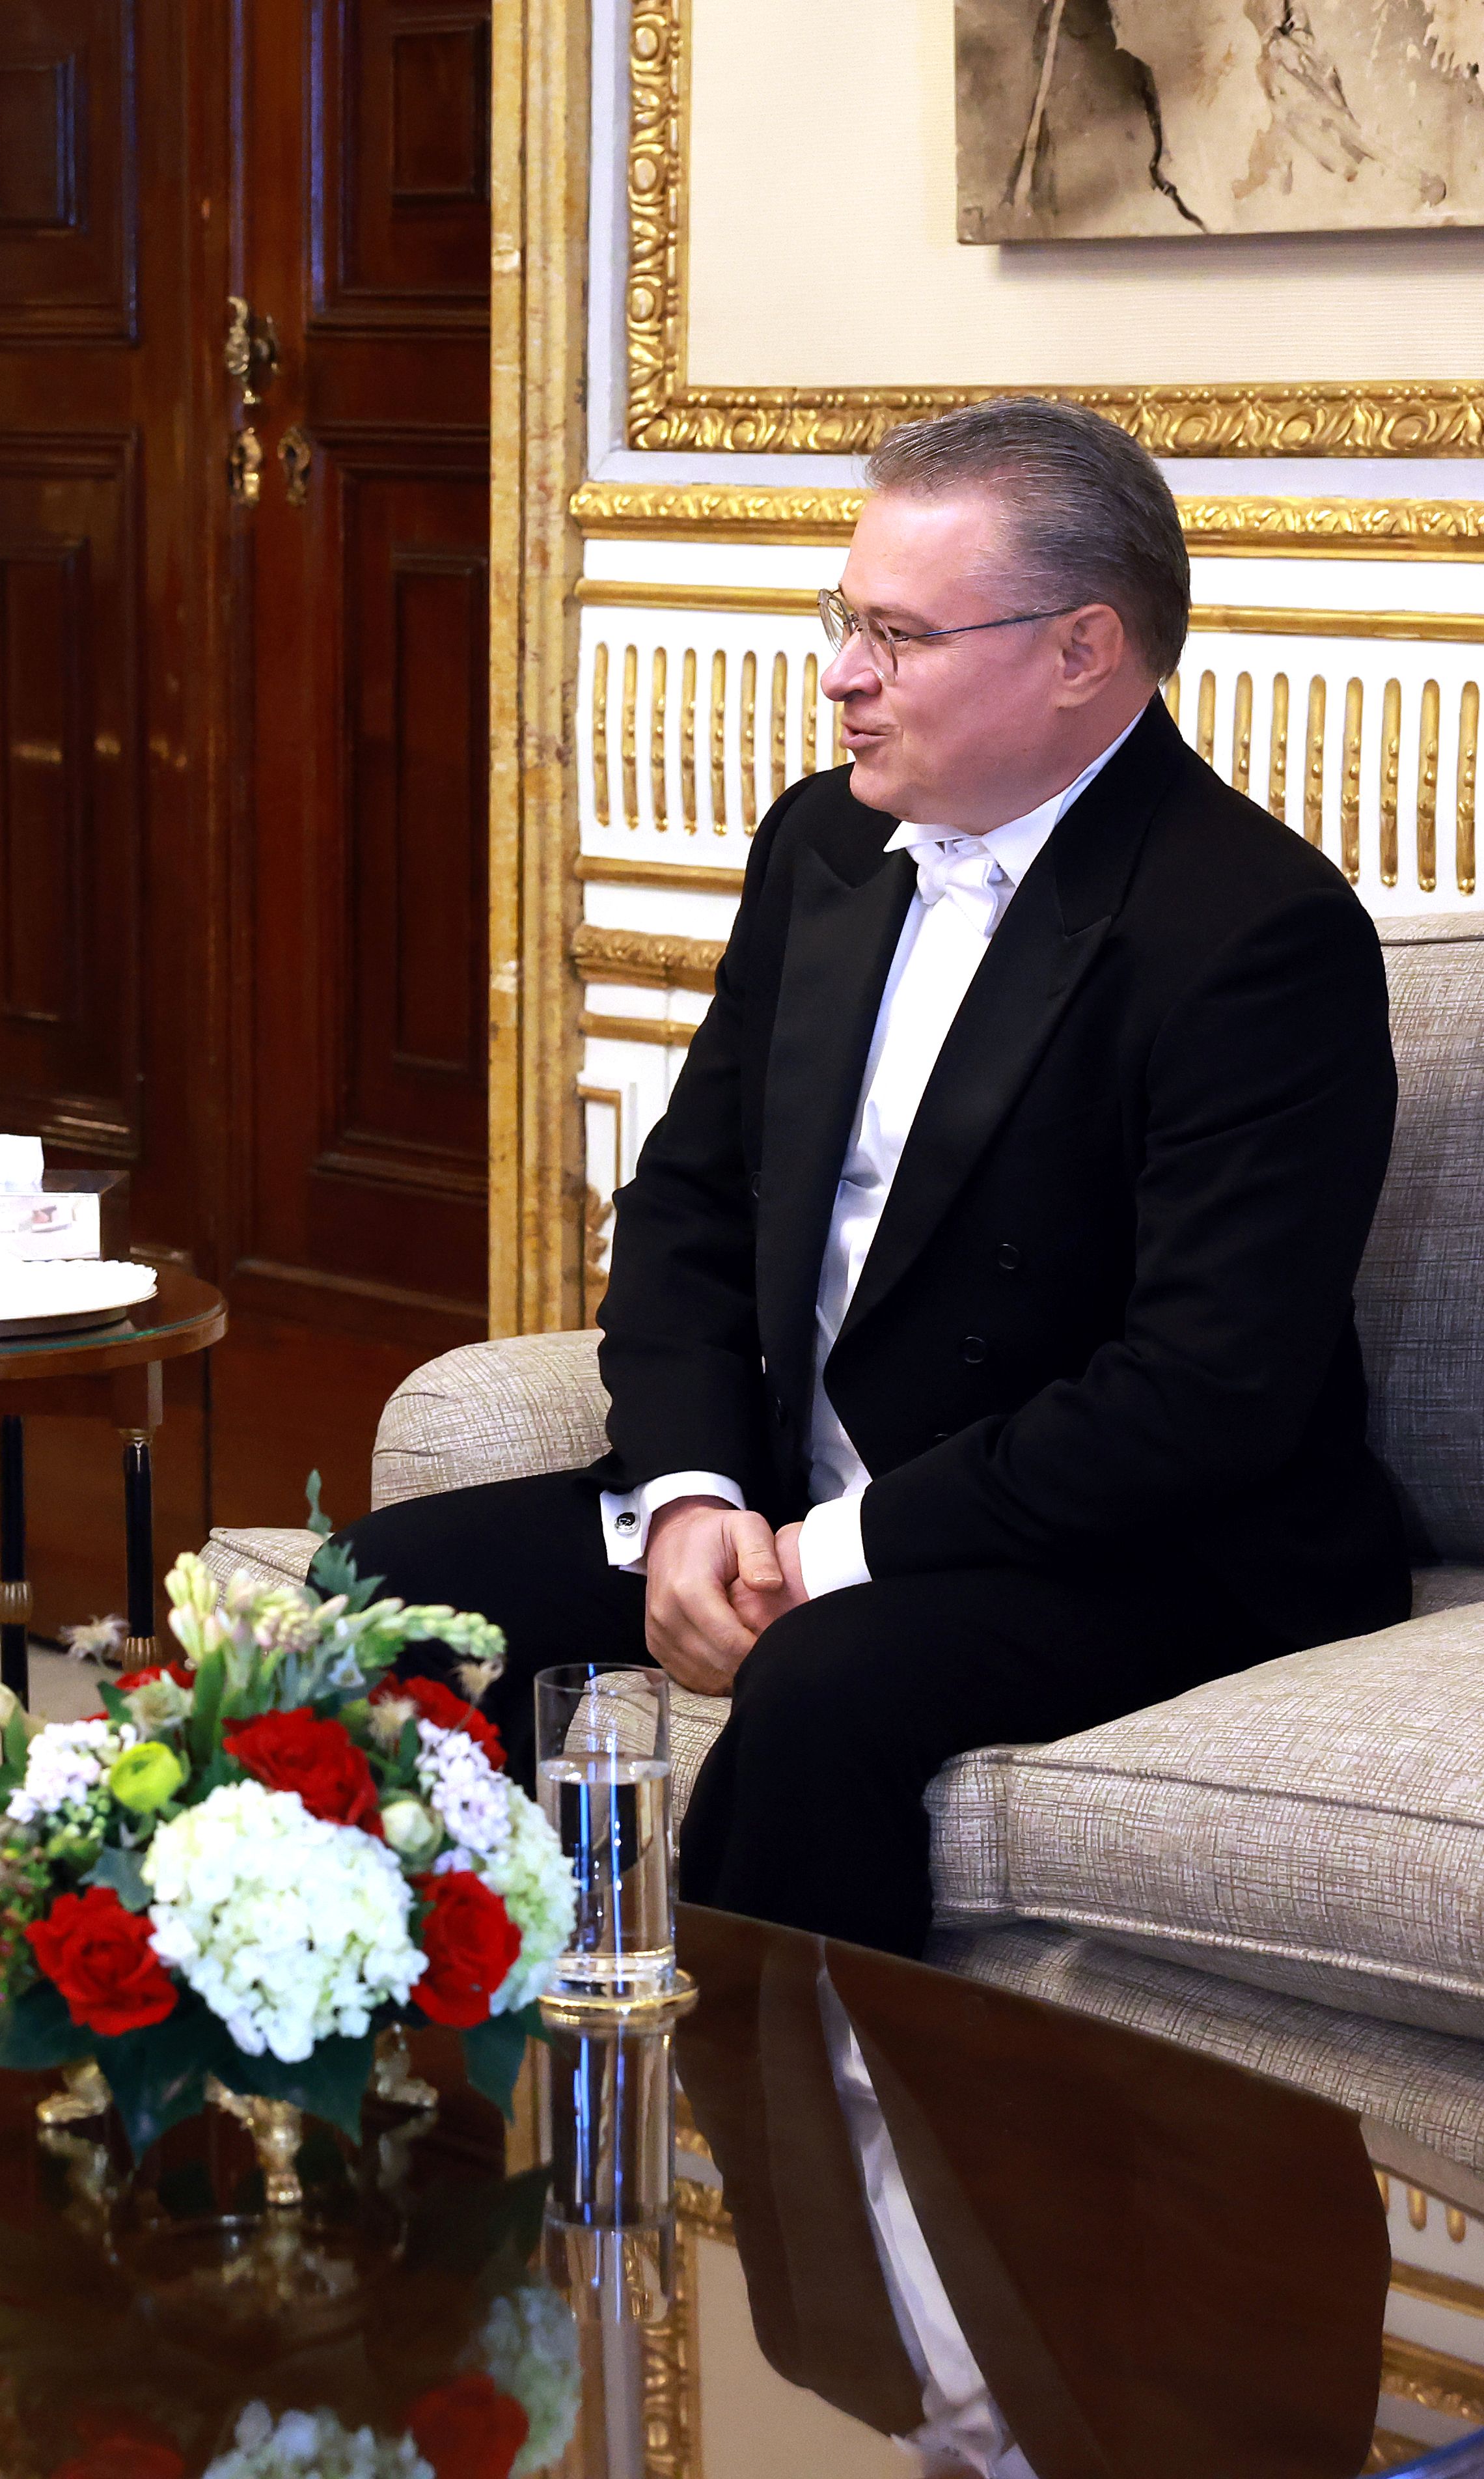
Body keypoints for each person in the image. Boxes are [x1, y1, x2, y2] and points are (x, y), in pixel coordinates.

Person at [340, 395, 1408, 1960]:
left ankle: (756, 2116)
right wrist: (693, 1492)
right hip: (785, 1490)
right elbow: (689, 1204)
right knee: (378, 1595)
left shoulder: (1254, 931)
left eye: (897, 636)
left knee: (821, 1688)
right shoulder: (822, 848)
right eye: (845, 619)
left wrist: (833, 1550)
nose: (843, 673)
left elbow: (1197, 1396)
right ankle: (430, 2068)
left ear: (1080, 650)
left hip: (1131, 1539)